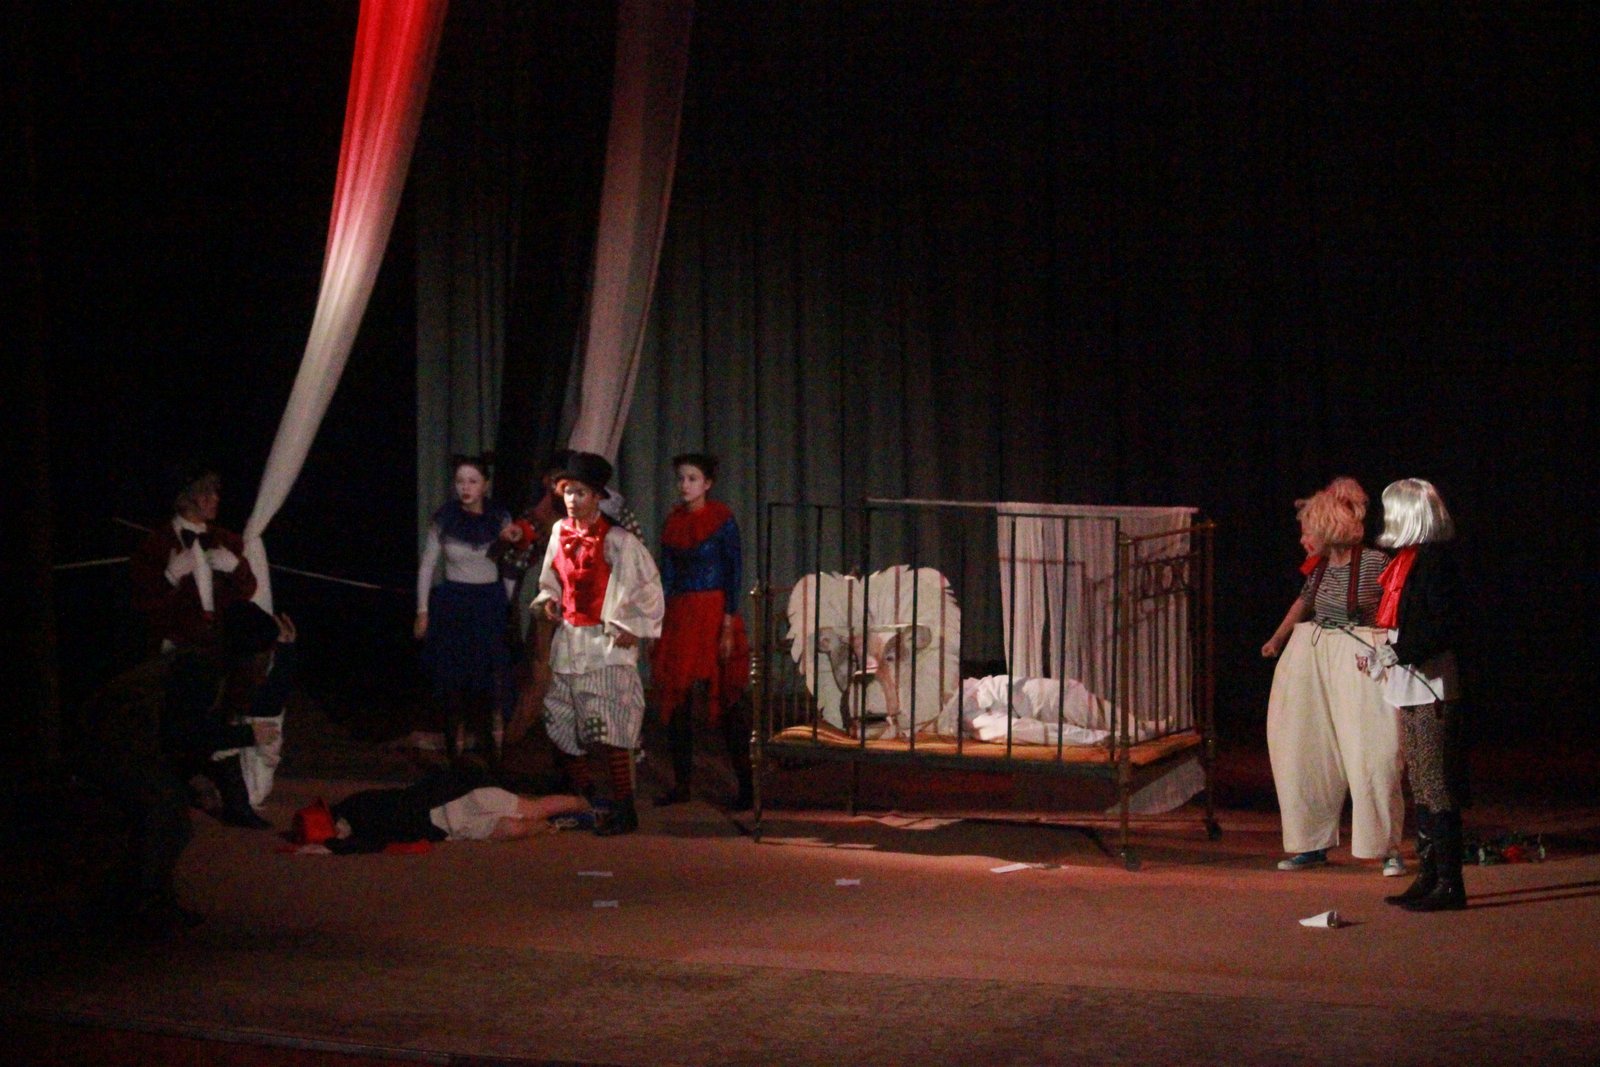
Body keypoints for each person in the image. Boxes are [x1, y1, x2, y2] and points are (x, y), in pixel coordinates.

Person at [77, 601, 292, 935]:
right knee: (167, 816)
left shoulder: (206, 664)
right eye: (264, 652)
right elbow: (181, 733)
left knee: (167, 816)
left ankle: (132, 899)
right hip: (111, 744)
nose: (264, 661)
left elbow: (185, 734)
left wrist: (194, 778)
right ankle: (139, 903)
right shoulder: (199, 668)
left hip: (125, 743)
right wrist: (246, 736)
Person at [1263, 484, 1404, 874]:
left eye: (1308, 531)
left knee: (1374, 752)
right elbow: (1304, 602)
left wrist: (1388, 650)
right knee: (1305, 749)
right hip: (1315, 653)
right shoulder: (1321, 566)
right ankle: (1310, 843)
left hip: (1360, 656)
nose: (1303, 540)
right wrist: (1277, 638)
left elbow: (1396, 606)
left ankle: (1387, 847)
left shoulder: (1375, 562)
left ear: (1327, 528)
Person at [530, 451, 665, 835]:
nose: (572, 499)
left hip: (603, 644)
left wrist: (634, 626)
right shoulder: (560, 532)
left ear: (597, 497)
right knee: (561, 720)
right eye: (568, 491)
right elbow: (551, 579)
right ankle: (589, 799)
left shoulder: (618, 540)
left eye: (581, 493)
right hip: (569, 641)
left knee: (610, 727)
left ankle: (624, 807)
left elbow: (647, 586)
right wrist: (550, 600)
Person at [1371, 479, 1468, 912]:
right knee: (1421, 784)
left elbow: (1446, 625)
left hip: (1432, 686)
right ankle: (1429, 874)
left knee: (1436, 785)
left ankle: (1449, 882)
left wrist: (1401, 651)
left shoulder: (1434, 563)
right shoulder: (1406, 561)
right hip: (1411, 684)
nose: (1386, 518)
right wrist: (1384, 652)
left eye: (1392, 509)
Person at [649, 453, 753, 809]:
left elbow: (734, 573)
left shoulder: (722, 520)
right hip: (680, 616)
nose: (684, 485)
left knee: (725, 701)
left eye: (692, 478)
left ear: (707, 484)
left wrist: (728, 624)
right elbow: (667, 577)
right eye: (681, 478)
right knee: (677, 700)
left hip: (713, 615)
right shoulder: (673, 522)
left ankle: (746, 787)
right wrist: (659, 621)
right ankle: (682, 786)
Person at [415, 455, 518, 765]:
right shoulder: (445, 518)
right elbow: (427, 566)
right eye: (460, 481)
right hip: (454, 602)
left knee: (490, 675)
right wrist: (422, 611)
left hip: (488, 602)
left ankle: (493, 747)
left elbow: (510, 565)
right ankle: (454, 748)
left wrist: (506, 603)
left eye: (472, 481)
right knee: (453, 677)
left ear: (485, 485)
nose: (465, 488)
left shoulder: (499, 518)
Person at [288, 767, 590, 853]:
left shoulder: (358, 809)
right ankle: (558, 824)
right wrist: (333, 845)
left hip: (455, 799)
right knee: (514, 828)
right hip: (449, 828)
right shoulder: (356, 827)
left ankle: (589, 804)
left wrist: (332, 845)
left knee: (530, 809)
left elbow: (368, 842)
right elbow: (370, 844)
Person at [130, 464, 258, 654]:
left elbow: (248, 590)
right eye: (206, 493)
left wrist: (236, 567)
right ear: (186, 498)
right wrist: (169, 578)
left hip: (222, 643)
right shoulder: (156, 543)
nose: (215, 498)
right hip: (178, 647)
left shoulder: (227, 540)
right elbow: (141, 602)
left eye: (215, 491)